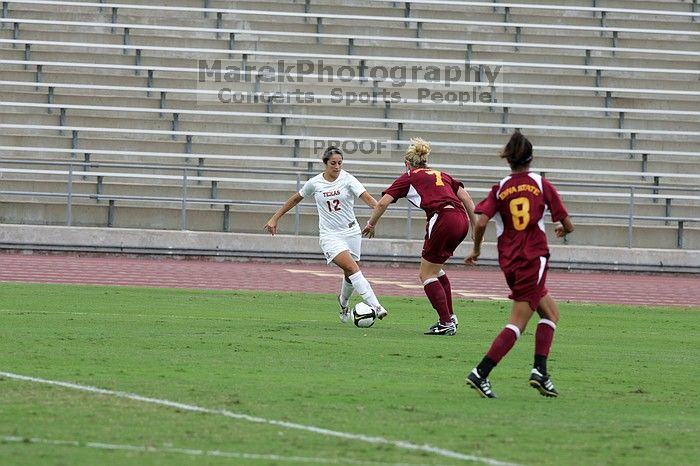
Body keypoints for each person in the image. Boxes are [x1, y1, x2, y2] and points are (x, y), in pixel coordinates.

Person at [464, 131, 574, 398]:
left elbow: (480, 221)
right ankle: (481, 372)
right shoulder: (540, 184)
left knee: (551, 314)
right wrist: (565, 230)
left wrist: (476, 249)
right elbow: (566, 222)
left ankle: (540, 371)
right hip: (532, 259)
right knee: (517, 323)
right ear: (531, 158)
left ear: (509, 161)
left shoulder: (500, 187)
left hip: (509, 262)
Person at [362, 138, 477, 336]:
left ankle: (446, 321)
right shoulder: (442, 174)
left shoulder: (409, 176)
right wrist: (477, 229)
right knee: (436, 269)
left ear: (407, 164)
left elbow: (382, 203)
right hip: (461, 219)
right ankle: (450, 317)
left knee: (426, 274)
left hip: (442, 219)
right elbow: (466, 198)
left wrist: (371, 224)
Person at [264, 145, 388, 322]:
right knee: (353, 268)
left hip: (352, 232)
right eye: (333, 163)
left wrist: (373, 221)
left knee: (349, 274)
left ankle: (343, 303)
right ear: (325, 163)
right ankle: (376, 305)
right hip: (330, 236)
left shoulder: (348, 179)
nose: (337, 167)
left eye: (339, 163)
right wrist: (275, 218)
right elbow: (294, 199)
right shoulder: (315, 183)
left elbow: (369, 199)